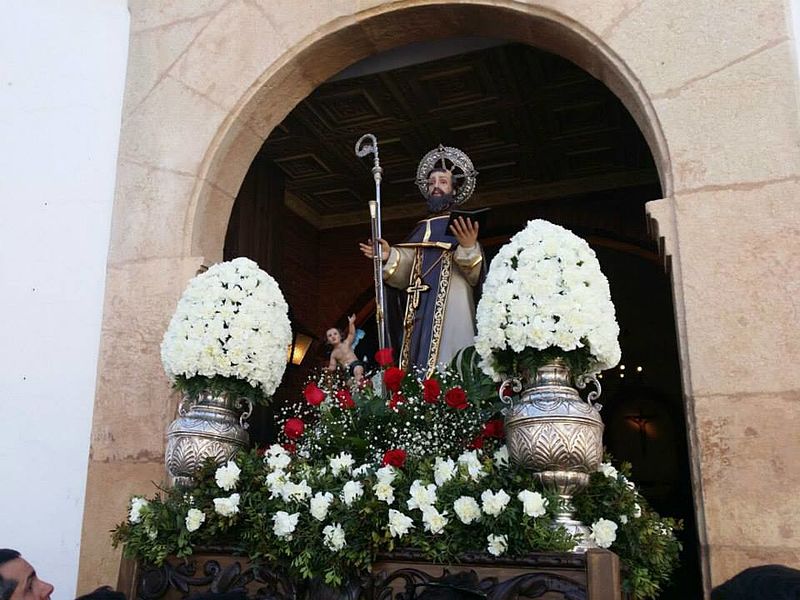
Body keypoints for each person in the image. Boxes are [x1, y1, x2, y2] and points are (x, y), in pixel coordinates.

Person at [359, 145, 484, 375]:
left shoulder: (462, 225)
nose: (436, 186)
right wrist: (389, 256)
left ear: (454, 189)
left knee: (452, 358)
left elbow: (476, 276)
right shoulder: (420, 230)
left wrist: (468, 247)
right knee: (419, 359)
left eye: (443, 182)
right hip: (420, 308)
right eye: (432, 182)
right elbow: (408, 265)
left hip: (453, 306)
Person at [326, 314, 364, 383]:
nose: (333, 336)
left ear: (340, 336)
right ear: (328, 341)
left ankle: (360, 383)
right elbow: (332, 366)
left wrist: (351, 323)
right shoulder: (333, 354)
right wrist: (328, 370)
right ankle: (356, 391)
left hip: (355, 364)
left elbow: (351, 334)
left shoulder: (346, 343)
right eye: (330, 336)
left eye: (335, 334)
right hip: (346, 370)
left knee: (358, 372)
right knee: (349, 384)